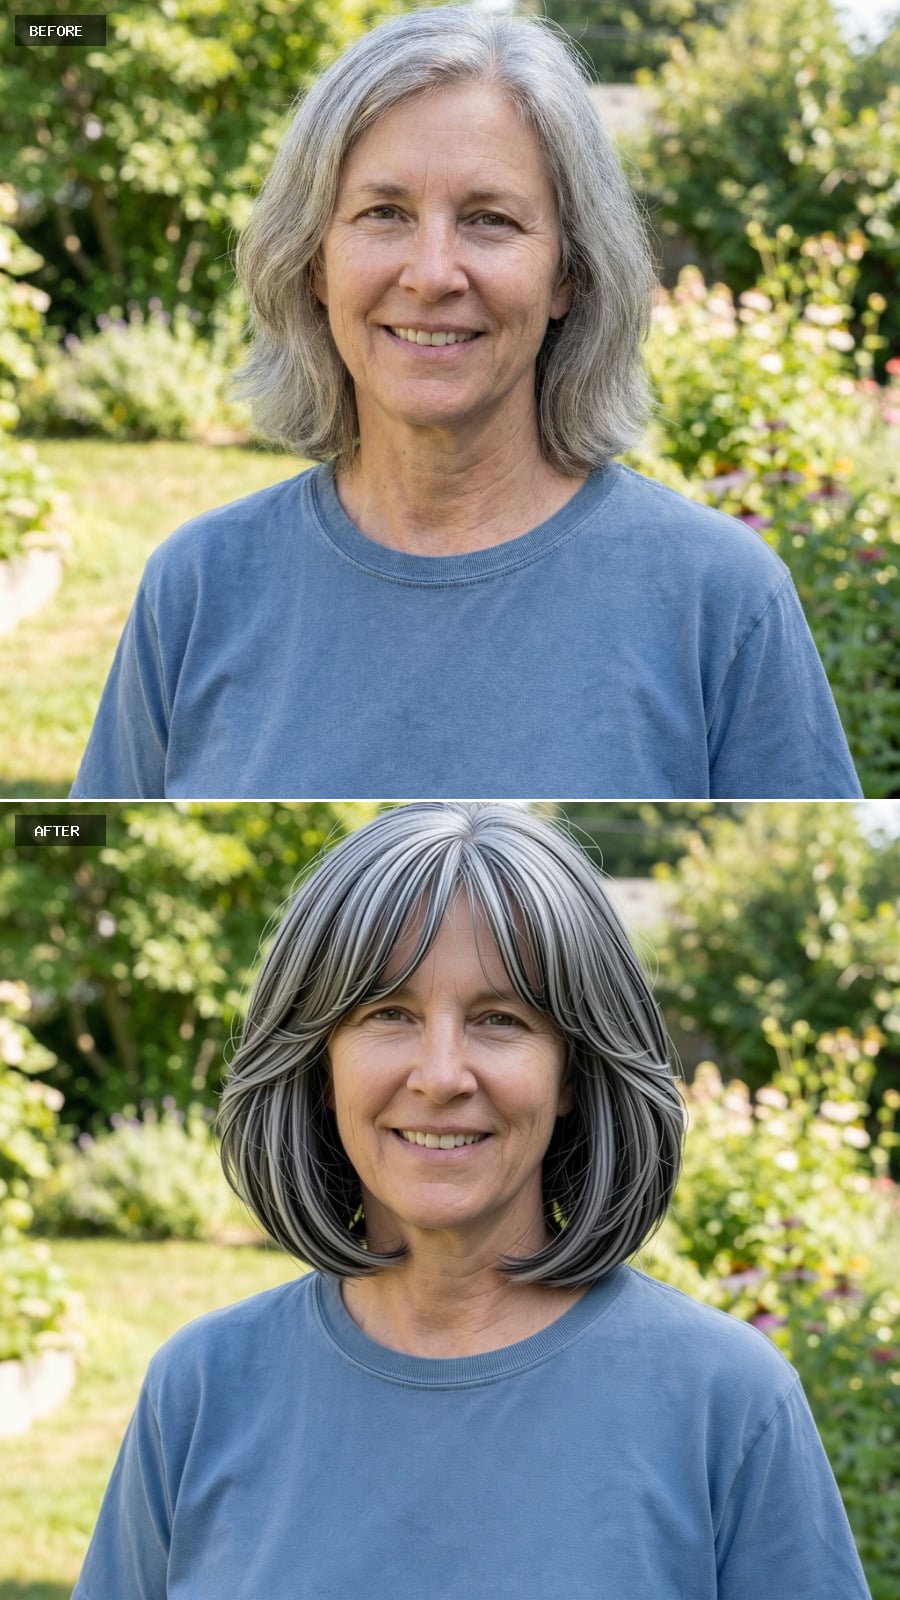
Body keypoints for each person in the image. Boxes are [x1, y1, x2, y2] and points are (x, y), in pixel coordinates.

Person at [73, 802, 871, 1599]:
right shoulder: (203, 1388)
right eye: (389, 1013)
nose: (442, 1074)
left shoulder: (728, 1404)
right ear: (320, 1065)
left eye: (500, 1019)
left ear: (574, 1074)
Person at [69, 7, 861, 800]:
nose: (433, 272)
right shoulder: (199, 585)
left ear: (568, 275)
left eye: (491, 219)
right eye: (385, 213)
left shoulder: (720, 600)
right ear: (313, 262)